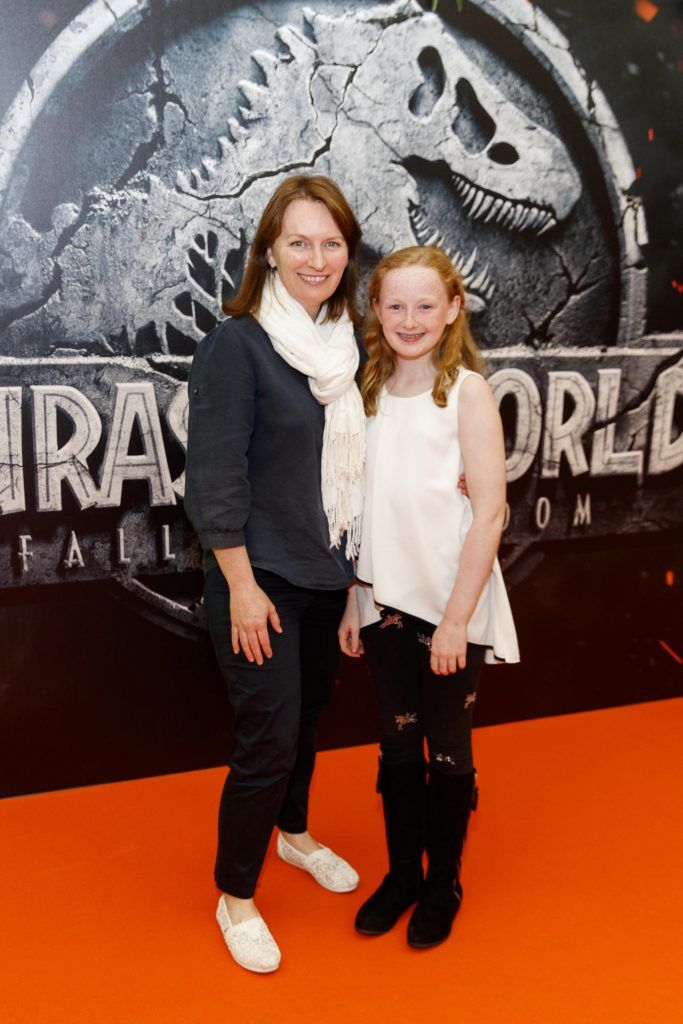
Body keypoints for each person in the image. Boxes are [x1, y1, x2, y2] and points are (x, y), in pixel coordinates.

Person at [184, 174, 366, 974]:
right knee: (267, 742)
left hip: (327, 578)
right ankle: (236, 896)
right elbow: (213, 479)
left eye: (330, 242)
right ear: (268, 251)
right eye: (299, 241)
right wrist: (244, 587)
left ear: (348, 253)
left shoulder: (347, 346)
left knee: (306, 727)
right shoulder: (239, 344)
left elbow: (366, 470)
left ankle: (292, 835)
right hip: (257, 581)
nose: (315, 257)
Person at [339, 245, 520, 950]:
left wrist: (454, 621)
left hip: (451, 607)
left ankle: (443, 880)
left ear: (452, 310)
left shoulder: (466, 391)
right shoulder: (367, 392)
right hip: (382, 604)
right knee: (395, 745)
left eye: (423, 306)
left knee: (445, 748)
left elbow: (491, 513)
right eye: (393, 306)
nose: (408, 320)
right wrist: (357, 599)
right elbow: (358, 506)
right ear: (374, 313)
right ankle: (402, 874)